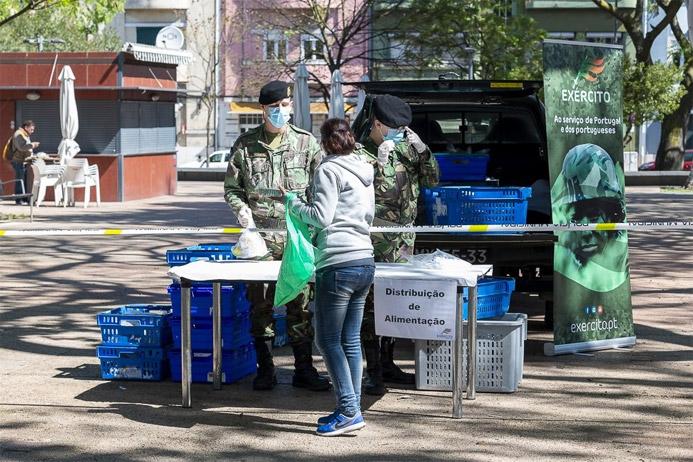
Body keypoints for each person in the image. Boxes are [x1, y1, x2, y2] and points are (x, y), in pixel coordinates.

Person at [223, 80, 330, 392]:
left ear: (292, 107)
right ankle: (265, 368)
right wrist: (241, 211)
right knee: (260, 306)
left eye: (285, 106)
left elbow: (321, 190)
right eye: (274, 108)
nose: (281, 112)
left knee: (300, 305)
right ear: (263, 110)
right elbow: (232, 188)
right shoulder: (245, 146)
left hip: (298, 239)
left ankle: (303, 369)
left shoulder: (308, 145)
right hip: (260, 242)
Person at [283, 118, 375, 436]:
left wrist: (295, 204)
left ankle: (349, 411)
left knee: (326, 340)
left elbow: (322, 217)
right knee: (349, 340)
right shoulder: (364, 167)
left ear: (324, 142)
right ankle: (351, 409)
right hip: (365, 259)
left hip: (338, 263)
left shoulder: (328, 169)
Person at [358, 94, 440, 395]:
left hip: (403, 241)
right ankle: (374, 371)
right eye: (393, 128)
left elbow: (433, 180)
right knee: (369, 307)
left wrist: (423, 150)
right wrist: (378, 165)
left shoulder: (408, 149)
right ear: (378, 124)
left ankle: (389, 363)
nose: (398, 134)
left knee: (395, 302)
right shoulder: (358, 152)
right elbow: (360, 194)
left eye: (402, 129)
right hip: (373, 241)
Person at [551, 143, 629, 292]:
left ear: (614, 216)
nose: (585, 231)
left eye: (593, 217)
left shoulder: (617, 273)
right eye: (576, 219)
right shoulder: (568, 269)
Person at [10, 120, 39, 204]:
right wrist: (32, 145)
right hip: (18, 161)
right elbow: (21, 147)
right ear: (26, 127)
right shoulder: (19, 134)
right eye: (31, 129)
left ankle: (24, 198)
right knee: (20, 180)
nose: (32, 132)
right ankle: (19, 199)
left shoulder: (24, 134)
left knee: (23, 180)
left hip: (23, 161)